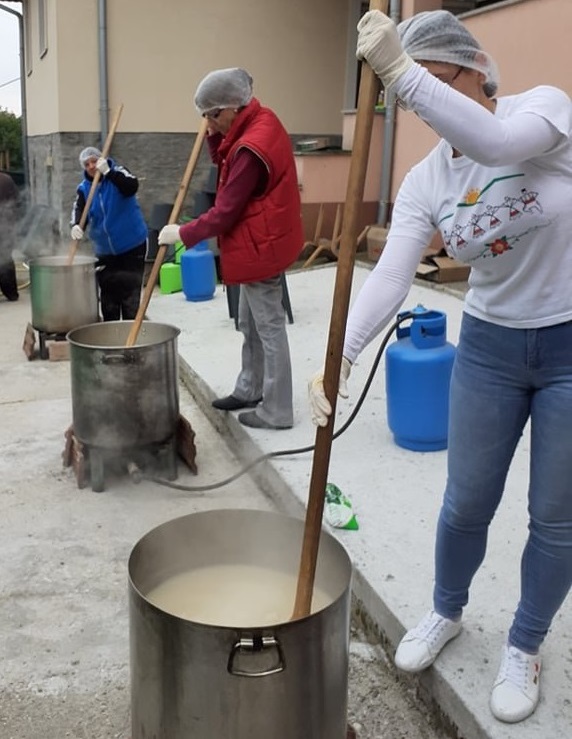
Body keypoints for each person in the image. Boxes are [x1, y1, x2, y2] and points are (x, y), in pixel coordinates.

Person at [309, 9, 572, 725]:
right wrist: (339, 358)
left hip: (568, 348)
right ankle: (447, 610)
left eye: (431, 80)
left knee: (555, 516)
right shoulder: (428, 179)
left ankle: (525, 643)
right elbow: (392, 277)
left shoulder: (542, 113)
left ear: (474, 70)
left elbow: (492, 136)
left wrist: (402, 70)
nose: (419, 105)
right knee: (465, 501)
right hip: (488, 347)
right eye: (407, 92)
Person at [159, 67, 303, 430]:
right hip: (258, 241)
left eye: (212, 114)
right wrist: (212, 134)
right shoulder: (256, 122)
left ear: (231, 107)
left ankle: (277, 409)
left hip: (261, 245)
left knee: (269, 328)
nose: (209, 121)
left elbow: (225, 212)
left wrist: (183, 233)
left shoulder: (253, 147)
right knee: (248, 322)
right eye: (205, 115)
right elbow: (225, 162)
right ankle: (250, 388)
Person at [70, 147, 148, 321]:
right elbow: (79, 209)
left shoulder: (118, 173)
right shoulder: (84, 188)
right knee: (108, 298)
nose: (91, 166)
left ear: (101, 160)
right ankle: (111, 337)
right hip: (105, 251)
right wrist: (76, 225)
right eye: (86, 164)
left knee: (130, 295)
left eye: (93, 161)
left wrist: (109, 173)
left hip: (131, 244)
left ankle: (131, 337)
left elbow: (131, 187)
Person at [0, 172, 22, 301]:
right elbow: (18, 203)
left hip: (5, 227)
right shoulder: (6, 179)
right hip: (6, 228)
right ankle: (11, 293)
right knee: (6, 260)